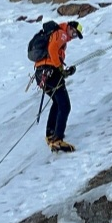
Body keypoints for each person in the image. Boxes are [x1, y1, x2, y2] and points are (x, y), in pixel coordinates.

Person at [34, 20, 83, 152]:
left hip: (41, 74)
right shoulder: (62, 33)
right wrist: (60, 69)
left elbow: (53, 54)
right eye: (74, 33)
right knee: (65, 105)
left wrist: (64, 71)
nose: (73, 37)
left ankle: (50, 135)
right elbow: (52, 49)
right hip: (50, 73)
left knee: (57, 102)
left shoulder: (56, 34)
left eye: (75, 36)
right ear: (70, 28)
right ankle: (57, 140)